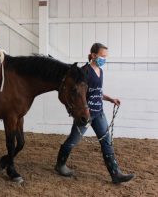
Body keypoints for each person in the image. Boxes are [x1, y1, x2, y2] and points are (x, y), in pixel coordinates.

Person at [55, 43, 135, 184]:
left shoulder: (100, 71)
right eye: (102, 56)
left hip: (99, 112)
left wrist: (110, 99)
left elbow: (98, 91)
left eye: (105, 57)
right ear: (93, 55)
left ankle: (115, 174)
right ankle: (60, 165)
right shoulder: (84, 72)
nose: (104, 59)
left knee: (106, 141)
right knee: (73, 141)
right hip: (85, 114)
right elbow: (79, 93)